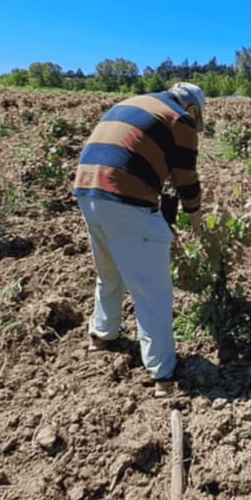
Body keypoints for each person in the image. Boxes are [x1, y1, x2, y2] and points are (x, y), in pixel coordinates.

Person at [72, 82, 206, 397]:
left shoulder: (136, 104)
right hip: (125, 197)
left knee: (109, 270)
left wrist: (164, 221)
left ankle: (102, 335)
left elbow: (155, 173)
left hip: (88, 189)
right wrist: (197, 222)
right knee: (153, 291)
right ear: (193, 110)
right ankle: (163, 376)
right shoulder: (180, 120)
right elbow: (185, 179)